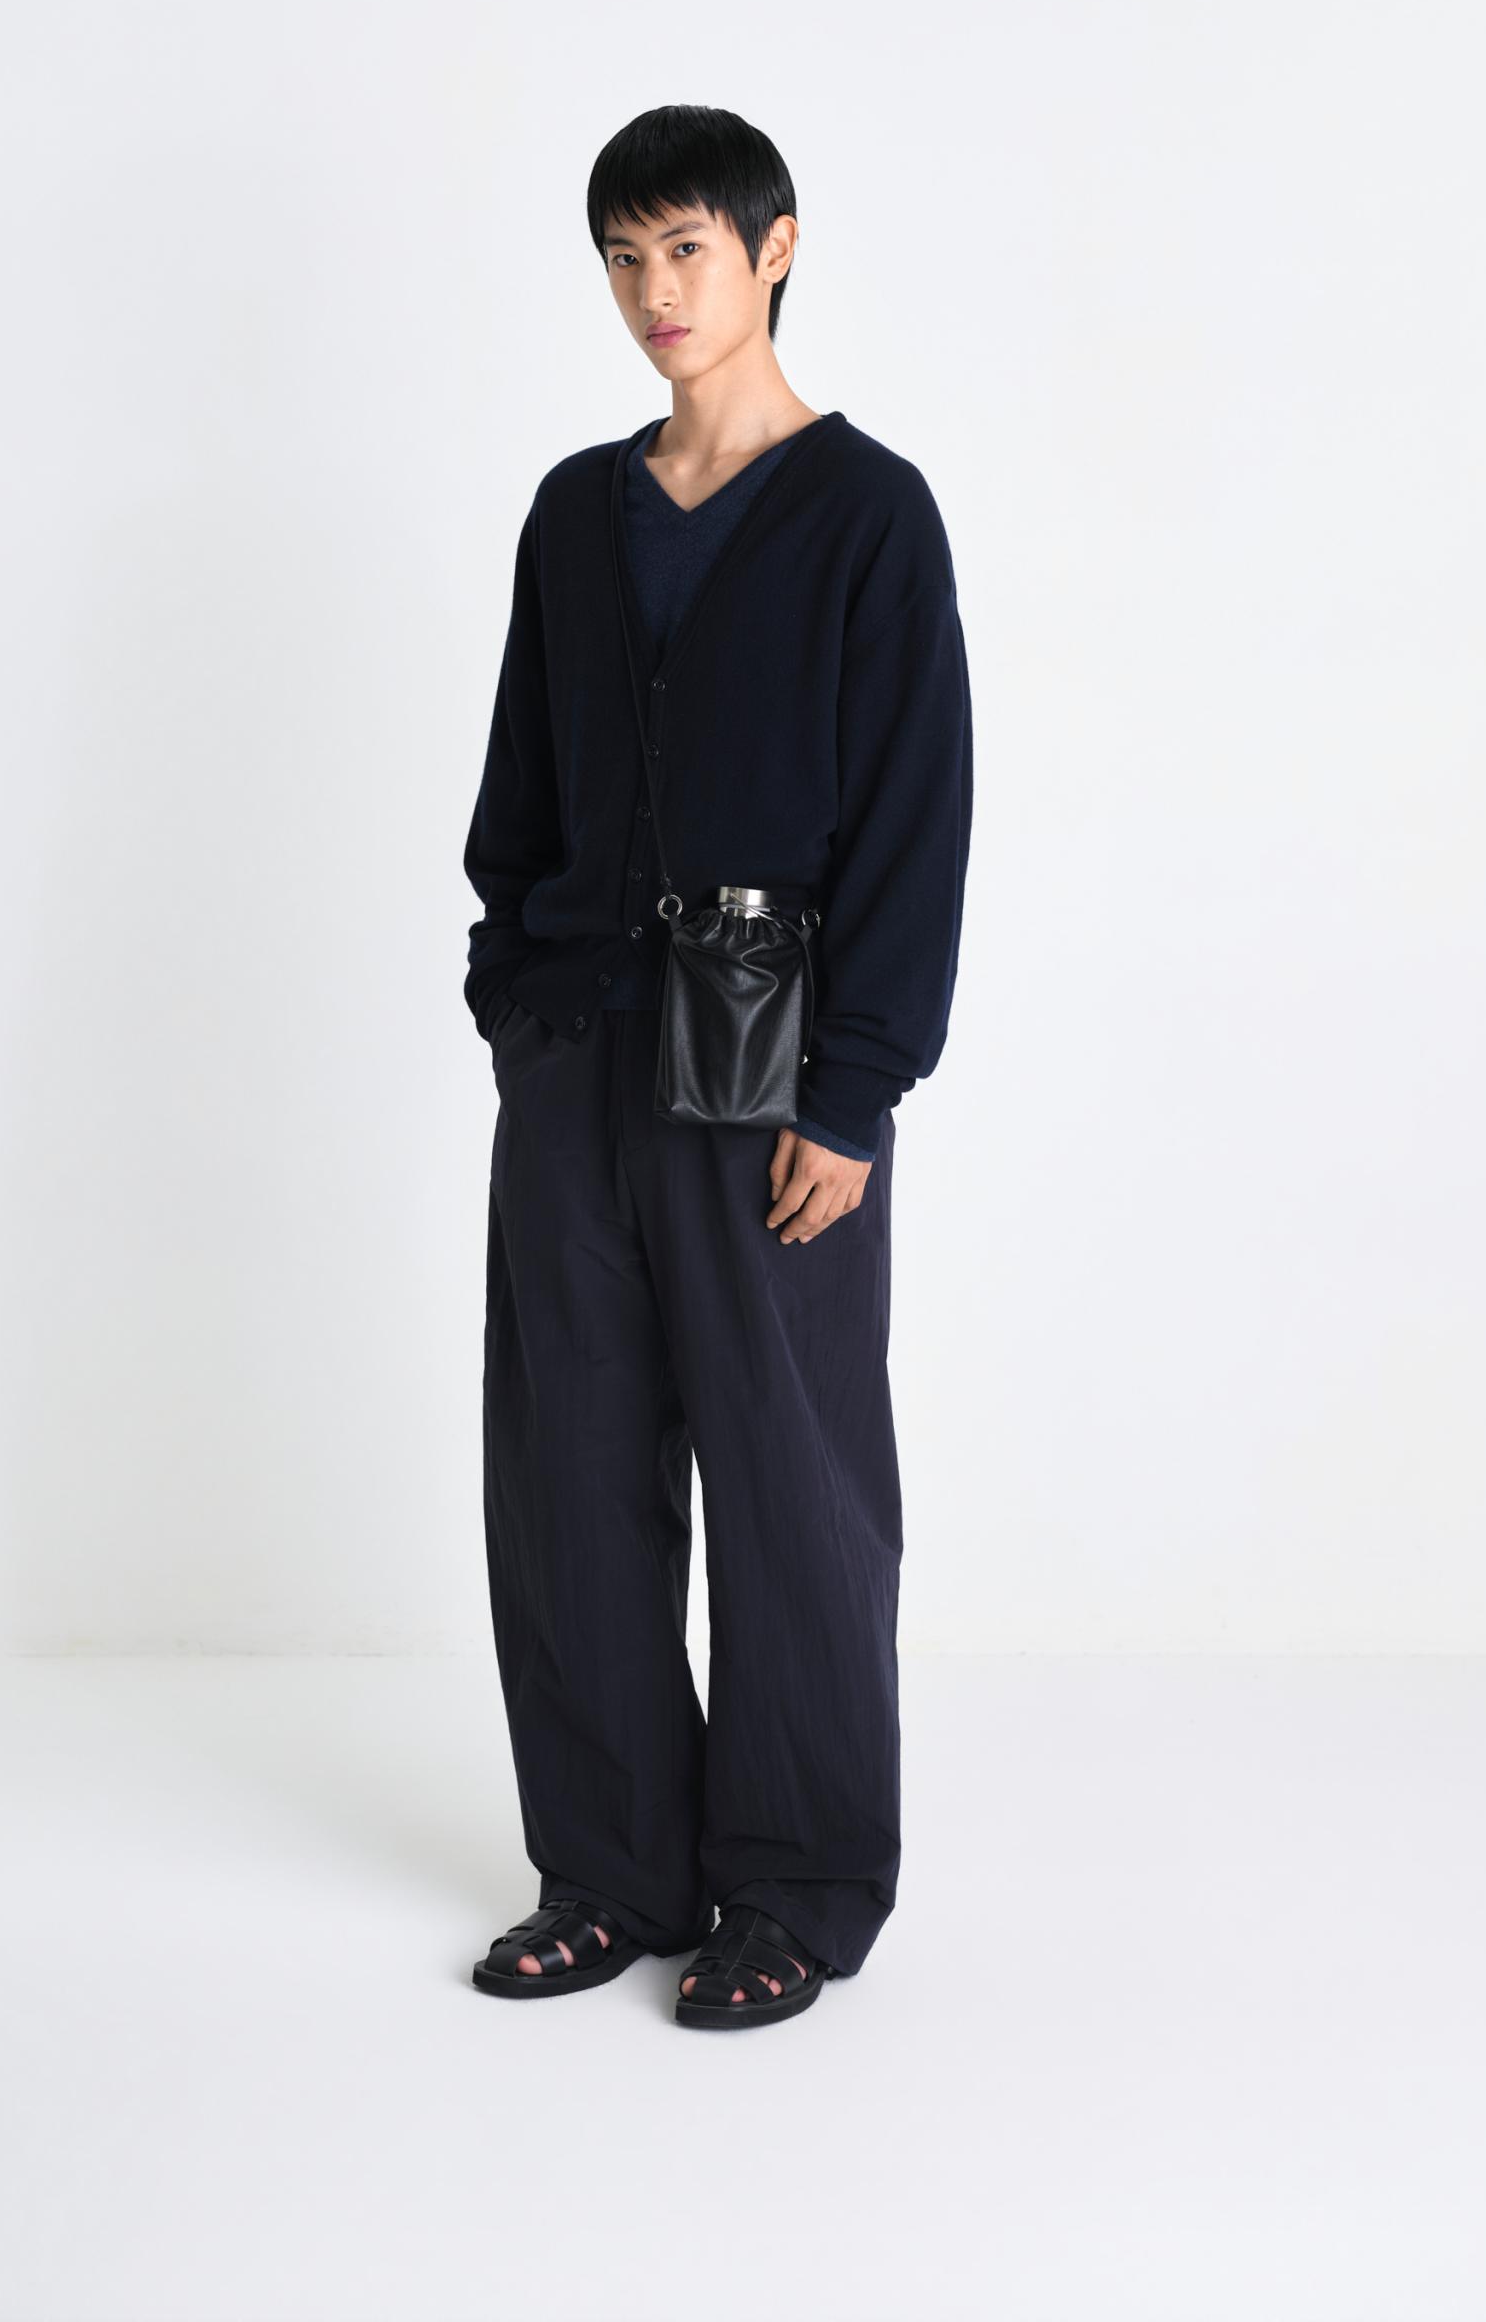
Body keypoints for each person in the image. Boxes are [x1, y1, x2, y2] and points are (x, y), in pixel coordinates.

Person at [460, 103, 974, 2029]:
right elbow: (521, 787)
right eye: (622, 257)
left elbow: (917, 819)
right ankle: (609, 1871)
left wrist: (858, 1091)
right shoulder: (574, 513)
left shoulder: (867, 514)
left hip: (773, 1078)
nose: (654, 291)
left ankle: (797, 1887)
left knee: (793, 1482)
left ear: (774, 248)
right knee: (570, 1472)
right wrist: (512, 994)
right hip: (576, 1060)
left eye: (685, 248)